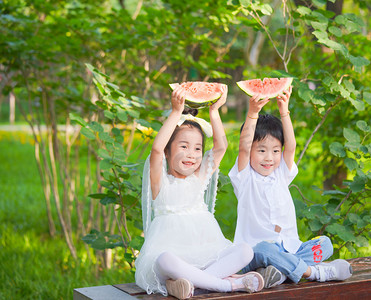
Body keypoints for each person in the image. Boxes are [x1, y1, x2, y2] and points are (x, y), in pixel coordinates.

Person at [135, 85, 264, 299]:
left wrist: (214, 112)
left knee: (245, 252)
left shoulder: (199, 177)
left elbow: (221, 147)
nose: (191, 155)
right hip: (172, 254)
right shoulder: (161, 182)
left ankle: (190, 284)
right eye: (183, 146)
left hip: (206, 251)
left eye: (197, 149)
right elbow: (156, 149)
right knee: (164, 260)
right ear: (168, 152)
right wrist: (176, 112)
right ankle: (225, 285)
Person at [228, 86, 353, 289]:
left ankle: (278, 273)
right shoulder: (245, 178)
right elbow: (243, 146)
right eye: (261, 150)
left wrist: (284, 111)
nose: (269, 157)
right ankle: (314, 273)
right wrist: (252, 113)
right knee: (265, 251)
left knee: (325, 244)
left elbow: (292, 145)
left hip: (290, 249)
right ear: (250, 151)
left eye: (276, 150)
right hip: (255, 253)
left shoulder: (280, 174)